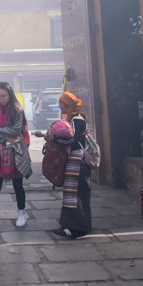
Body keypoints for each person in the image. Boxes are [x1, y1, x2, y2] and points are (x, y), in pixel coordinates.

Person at [34, 92, 92, 239]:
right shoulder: (73, 118)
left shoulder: (77, 120)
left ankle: (76, 228)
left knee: (75, 195)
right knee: (73, 195)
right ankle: (72, 226)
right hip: (75, 161)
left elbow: (71, 140)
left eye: (61, 104)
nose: (59, 107)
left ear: (68, 105)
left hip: (77, 162)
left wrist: (54, 140)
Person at [0, 82, 33, 233]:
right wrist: (5, 138)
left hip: (16, 152)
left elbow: (15, 131)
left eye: (4, 96)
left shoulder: (17, 110)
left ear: (10, 95)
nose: (1, 99)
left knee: (18, 185)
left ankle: (22, 213)